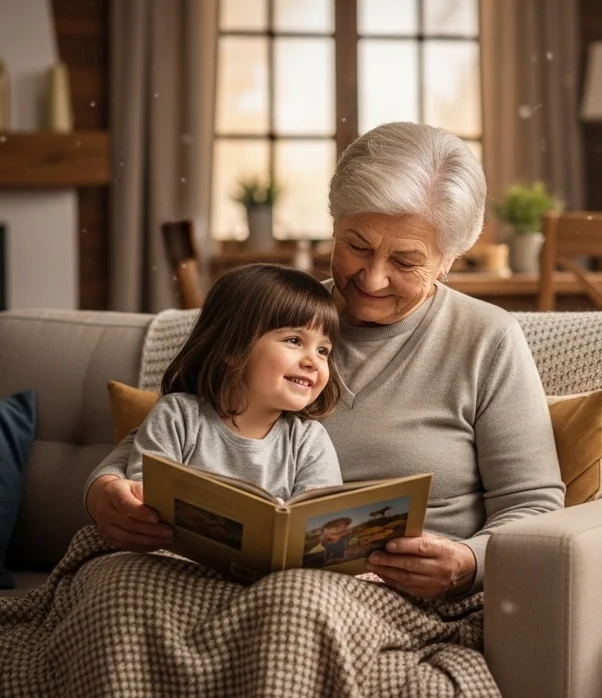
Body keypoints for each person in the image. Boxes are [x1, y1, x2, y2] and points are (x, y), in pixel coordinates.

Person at [84, 121, 565, 600]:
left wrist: (469, 563)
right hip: (222, 578)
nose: (372, 279)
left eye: (405, 261)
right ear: (334, 224)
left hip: (388, 594)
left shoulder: (488, 340)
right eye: (356, 245)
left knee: (296, 605)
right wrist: (104, 491)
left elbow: (534, 502)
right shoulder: (272, 316)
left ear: (448, 260)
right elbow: (180, 423)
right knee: (114, 588)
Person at [123, 263, 344, 505]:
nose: (314, 361)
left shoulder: (308, 441)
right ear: (234, 348)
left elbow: (317, 519)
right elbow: (143, 491)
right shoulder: (177, 416)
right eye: (294, 340)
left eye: (323, 350)